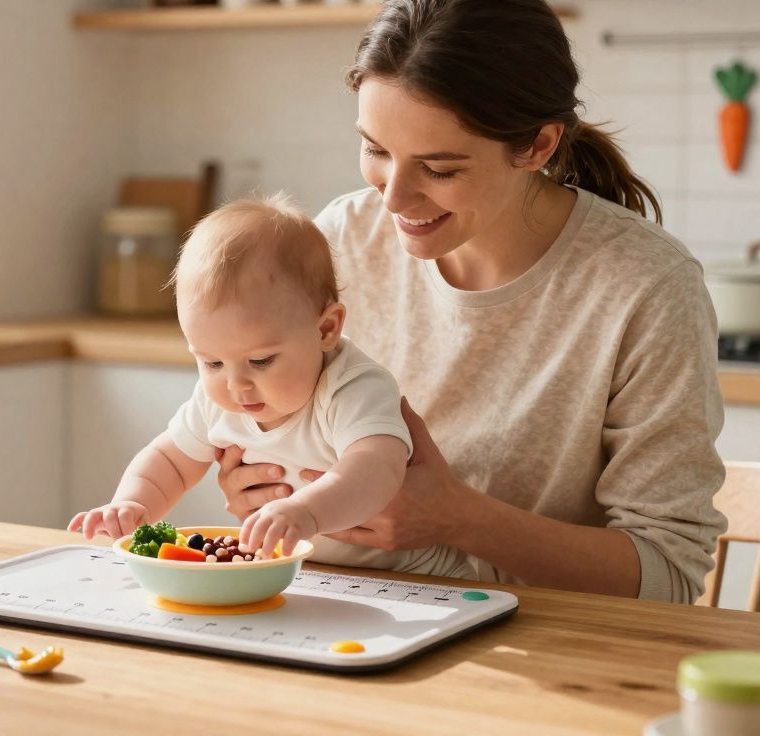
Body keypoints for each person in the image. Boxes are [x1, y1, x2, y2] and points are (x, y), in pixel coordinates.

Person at [214, 0, 727, 604]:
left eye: (439, 168)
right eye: (376, 150)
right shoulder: (339, 241)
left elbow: (667, 578)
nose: (396, 198)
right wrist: (260, 476)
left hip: (546, 650)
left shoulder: (645, 285)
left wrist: (459, 518)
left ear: (537, 145)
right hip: (342, 619)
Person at [69, 194, 473, 578]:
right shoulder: (219, 399)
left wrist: (307, 512)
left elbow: (374, 470)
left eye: (260, 361)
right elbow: (170, 462)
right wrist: (131, 503)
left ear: (326, 329)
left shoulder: (353, 387)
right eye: (210, 362)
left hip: (419, 580)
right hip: (310, 577)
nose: (236, 385)